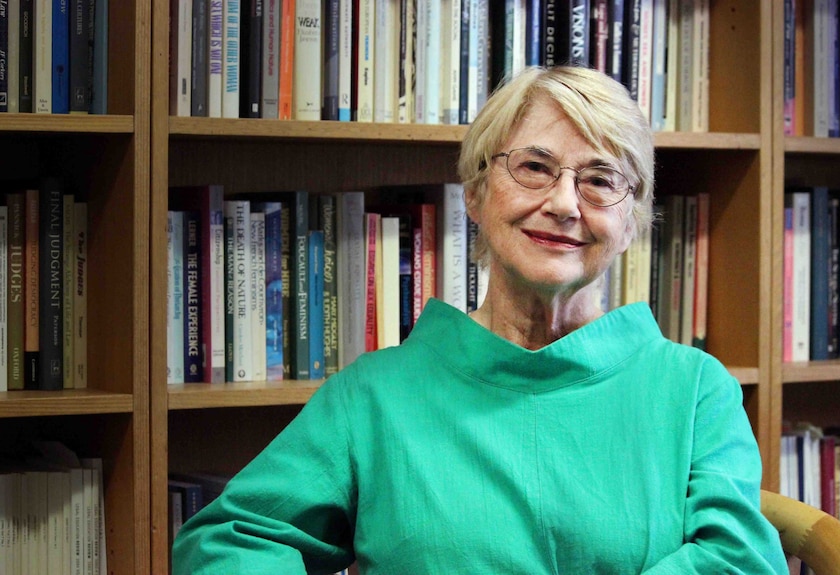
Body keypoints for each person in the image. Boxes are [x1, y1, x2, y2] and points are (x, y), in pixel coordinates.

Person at [172, 66, 789, 574]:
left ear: (631, 221)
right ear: (474, 191)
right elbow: (226, 544)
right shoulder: (373, 396)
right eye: (535, 167)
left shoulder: (695, 390)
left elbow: (741, 562)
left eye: (601, 180)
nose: (564, 204)